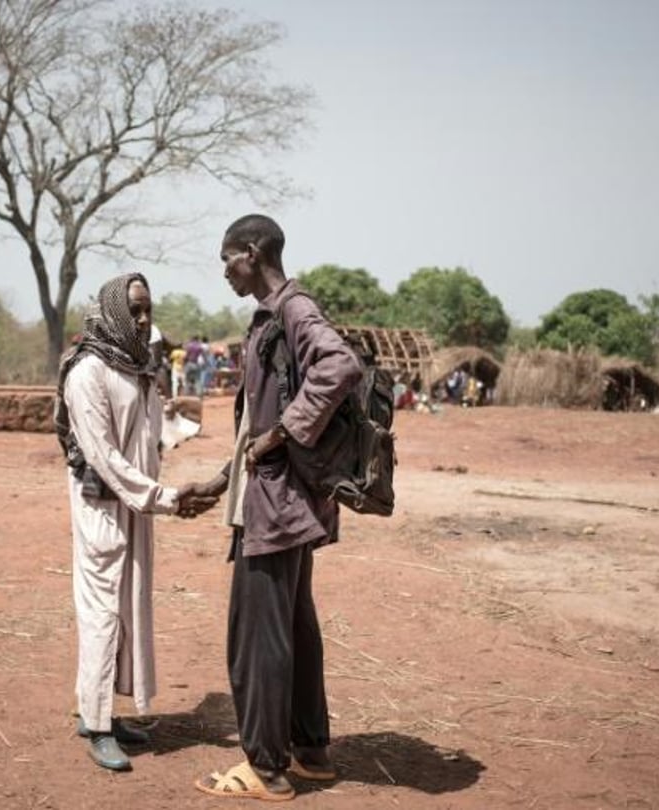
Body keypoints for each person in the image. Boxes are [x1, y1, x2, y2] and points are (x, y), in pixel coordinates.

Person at [193, 214, 362, 801]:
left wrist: (282, 435)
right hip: (282, 498)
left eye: (228, 259)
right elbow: (255, 423)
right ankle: (311, 752)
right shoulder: (272, 316)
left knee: (257, 634)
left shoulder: (292, 309)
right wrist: (224, 479)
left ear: (253, 251)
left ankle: (264, 767)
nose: (225, 271)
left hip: (276, 504)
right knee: (294, 624)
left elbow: (339, 365)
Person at [55, 272, 218, 773]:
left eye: (148, 309)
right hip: (103, 507)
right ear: (114, 312)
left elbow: (147, 435)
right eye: (136, 310)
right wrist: (167, 497)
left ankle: (100, 710)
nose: (144, 320)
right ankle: (99, 727)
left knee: (128, 608)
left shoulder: (137, 365)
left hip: (138, 506)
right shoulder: (87, 373)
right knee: (103, 613)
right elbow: (103, 456)